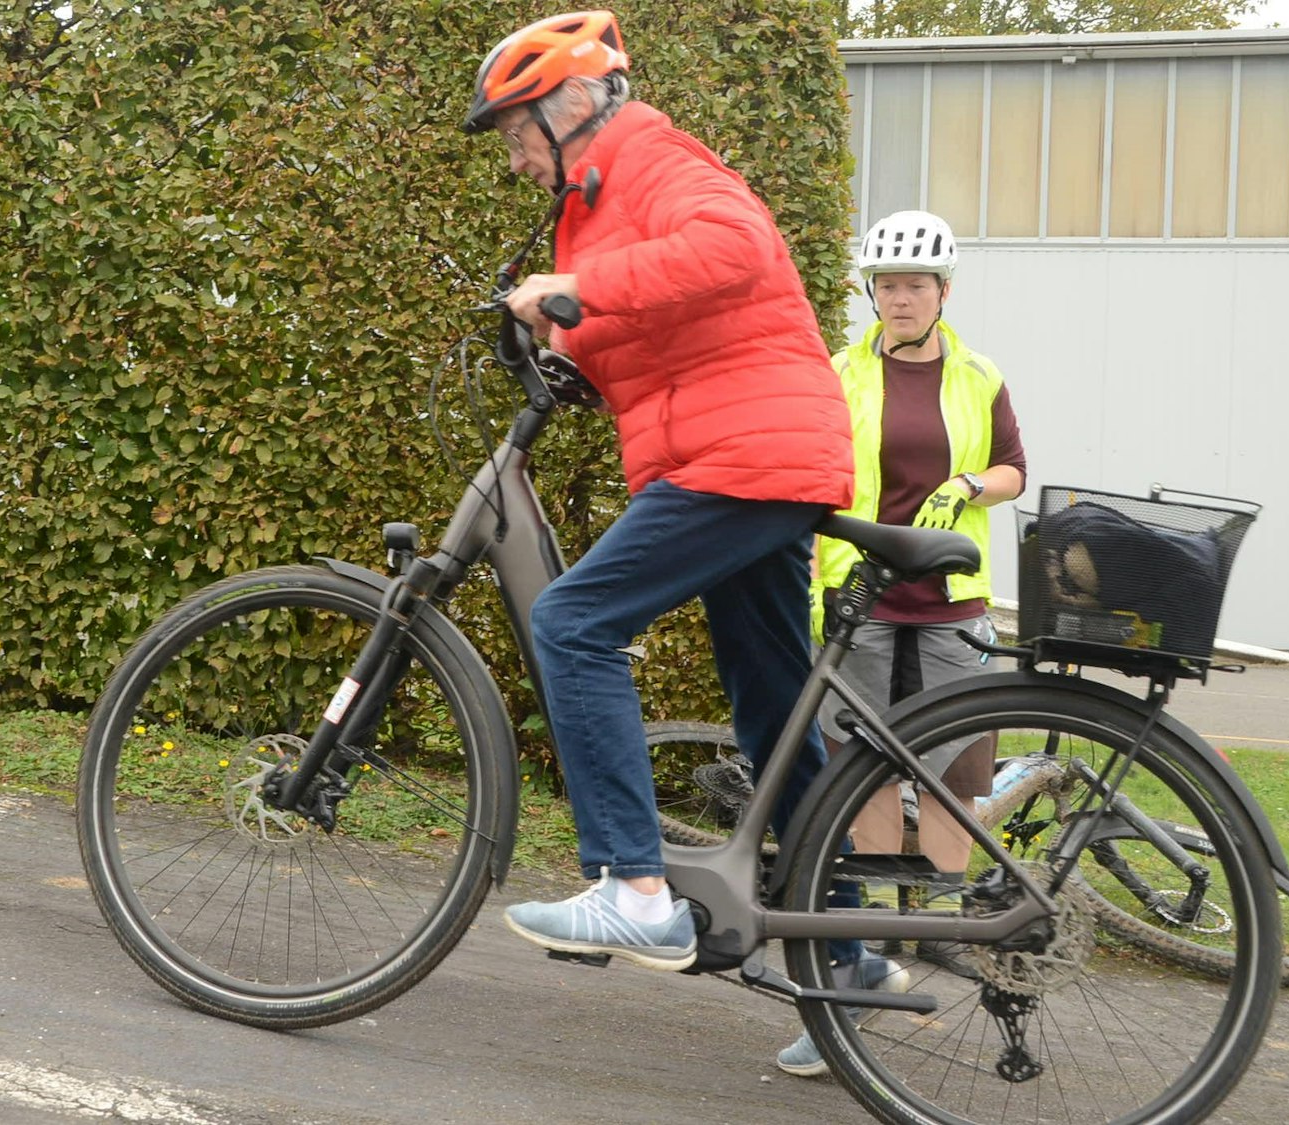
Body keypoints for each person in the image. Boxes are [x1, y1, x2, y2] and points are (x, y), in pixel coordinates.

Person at [462, 10, 904, 1004]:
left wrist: (576, 290)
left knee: (570, 622)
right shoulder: (594, 201)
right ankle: (846, 962)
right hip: (748, 453)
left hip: (744, 455)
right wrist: (555, 343)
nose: (516, 156)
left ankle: (633, 883)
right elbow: (649, 320)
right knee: (770, 705)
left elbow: (732, 250)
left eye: (519, 130)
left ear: (573, 102)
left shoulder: (652, 158)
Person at [772, 209, 1029, 1077]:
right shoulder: (840, 371)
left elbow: (1014, 470)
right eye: (888, 285)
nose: (902, 297)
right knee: (861, 768)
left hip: (951, 601)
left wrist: (967, 484)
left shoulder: (979, 374)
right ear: (872, 293)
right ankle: (872, 938)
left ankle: (945, 935)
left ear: (942, 292)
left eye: (916, 284)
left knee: (958, 773)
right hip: (863, 600)